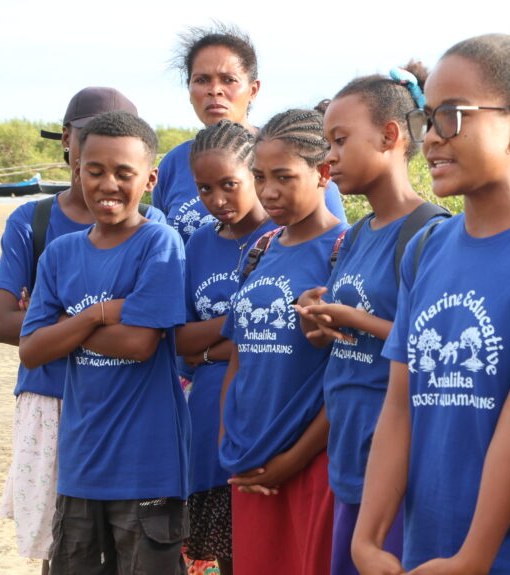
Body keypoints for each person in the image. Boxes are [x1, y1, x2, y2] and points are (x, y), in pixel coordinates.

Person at [351, 34, 510, 574]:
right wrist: (367, 539)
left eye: (452, 116)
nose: (431, 139)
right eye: (427, 119)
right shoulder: (426, 247)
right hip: (434, 542)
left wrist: (473, 557)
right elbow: (399, 406)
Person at [0, 87, 165, 567]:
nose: (108, 178)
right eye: (90, 140)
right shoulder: (35, 221)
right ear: (69, 141)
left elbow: (142, 337)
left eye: (123, 166)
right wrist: (100, 313)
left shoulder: (153, 228)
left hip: (122, 400)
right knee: (63, 543)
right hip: (47, 398)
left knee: (127, 538)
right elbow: (4, 322)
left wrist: (50, 322)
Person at [293, 62, 441, 575]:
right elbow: (332, 341)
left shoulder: (430, 232)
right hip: (349, 449)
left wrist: (354, 317)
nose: (329, 156)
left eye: (340, 140)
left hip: (398, 460)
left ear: (391, 136)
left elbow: (432, 349)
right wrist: (316, 317)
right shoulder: (356, 235)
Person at [218, 108, 349, 574]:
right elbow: (239, 358)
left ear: (323, 173)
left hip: (311, 463)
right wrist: (229, 442)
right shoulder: (260, 250)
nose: (268, 191)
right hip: (249, 462)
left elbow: (347, 376)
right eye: (259, 176)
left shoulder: (346, 252)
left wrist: (293, 460)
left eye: (284, 176)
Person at [176, 120, 276, 575]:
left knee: (267, 550)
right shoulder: (199, 243)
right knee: (228, 556)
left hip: (264, 414)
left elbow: (275, 338)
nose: (216, 200)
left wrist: (212, 347)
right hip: (207, 419)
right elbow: (180, 340)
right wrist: (241, 321)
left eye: (228, 185)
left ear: (255, 174)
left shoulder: (282, 237)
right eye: (204, 188)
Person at [158, 23, 346, 244]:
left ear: (253, 90)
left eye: (228, 79)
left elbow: (332, 240)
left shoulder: (295, 152)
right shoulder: (173, 164)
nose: (214, 90)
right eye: (201, 80)